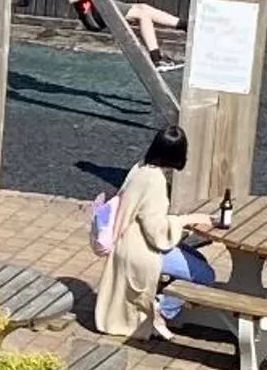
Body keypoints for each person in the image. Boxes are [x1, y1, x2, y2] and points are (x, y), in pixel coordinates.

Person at [92, 125, 218, 341]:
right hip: (141, 250)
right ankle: (160, 307)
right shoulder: (155, 181)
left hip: (125, 241)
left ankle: (163, 304)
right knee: (206, 275)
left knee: (198, 258)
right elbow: (157, 233)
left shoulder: (139, 168)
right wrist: (188, 220)